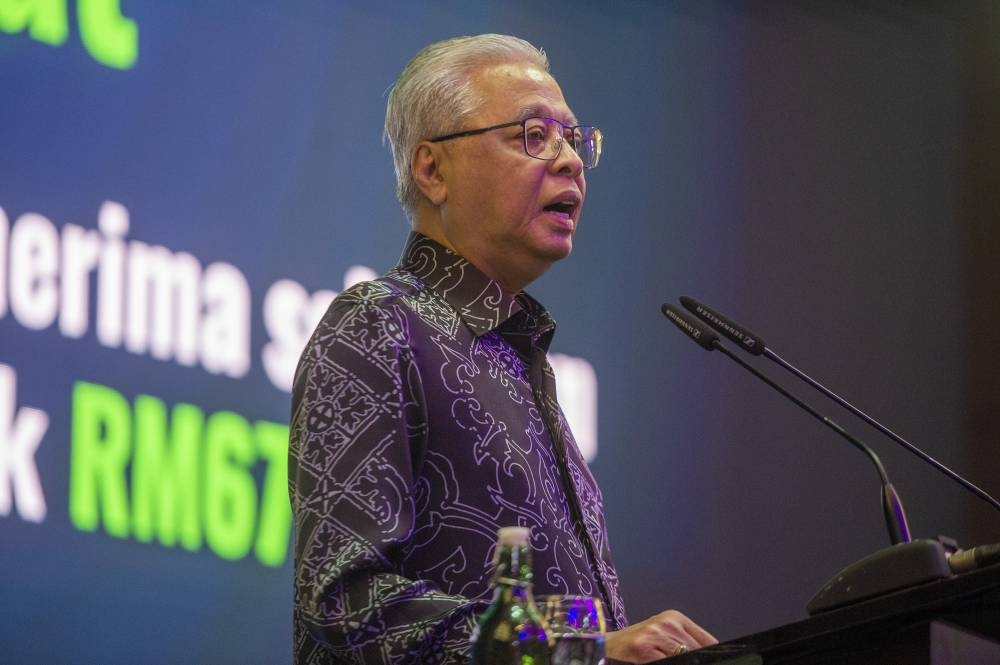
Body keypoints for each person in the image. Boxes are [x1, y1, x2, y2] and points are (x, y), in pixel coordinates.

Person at [288, 34, 717, 665]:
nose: (569, 159)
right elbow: (344, 601)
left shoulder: (520, 361)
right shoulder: (378, 326)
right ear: (432, 169)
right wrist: (586, 650)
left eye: (573, 138)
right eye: (533, 135)